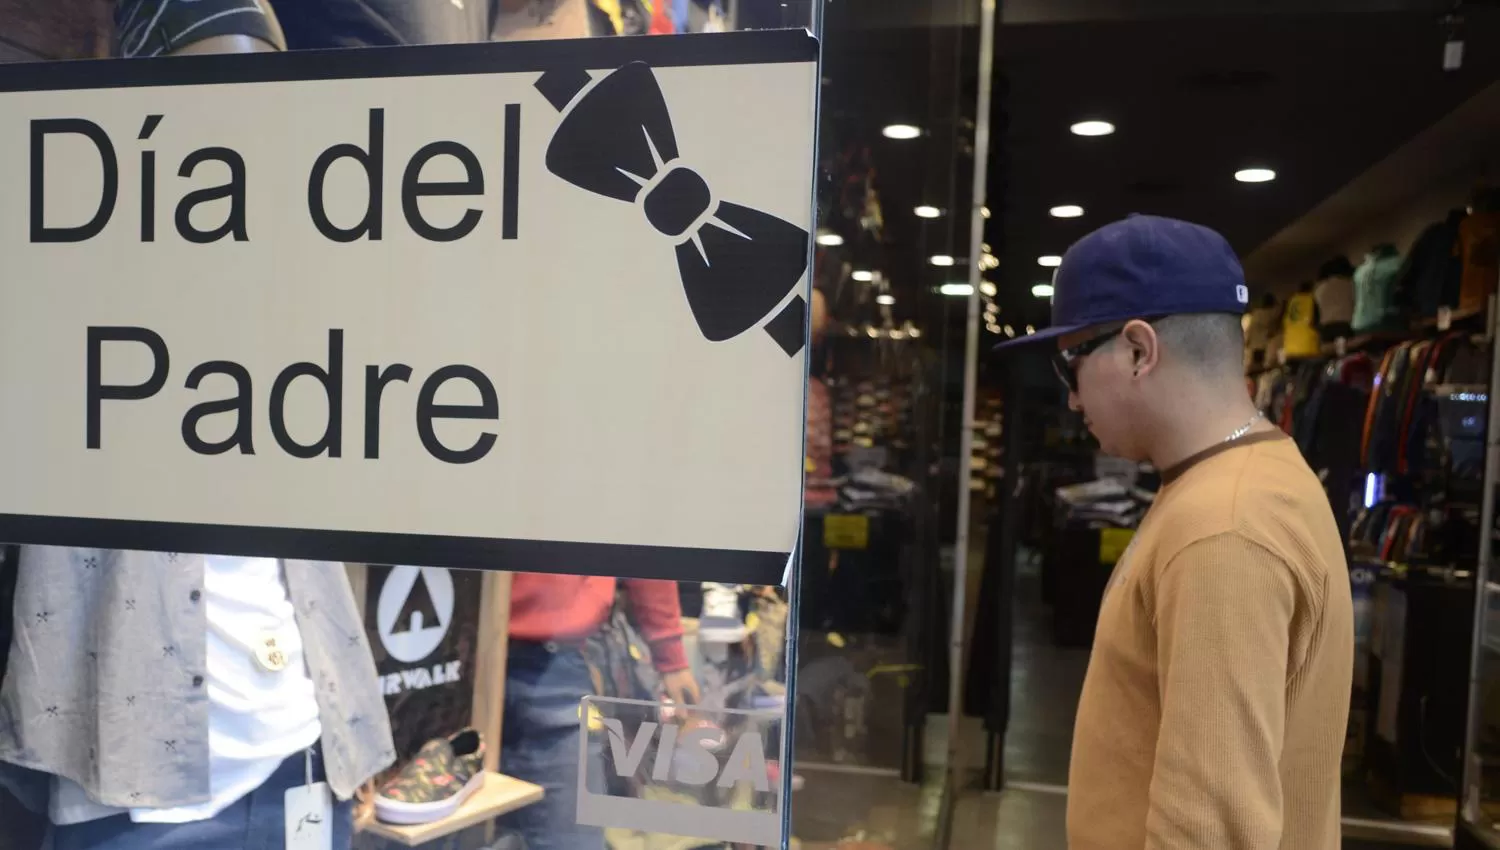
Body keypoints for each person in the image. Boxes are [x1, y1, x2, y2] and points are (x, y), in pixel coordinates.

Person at [997, 214, 1353, 850]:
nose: (1072, 400)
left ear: (1138, 349)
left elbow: (1210, 834)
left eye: (1069, 364)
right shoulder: (1246, 479)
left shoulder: (1224, 527)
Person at [500, 575, 697, 850]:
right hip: (450, 651)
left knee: (571, 837)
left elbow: (644, 539)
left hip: (553, 656)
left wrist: (670, 653)